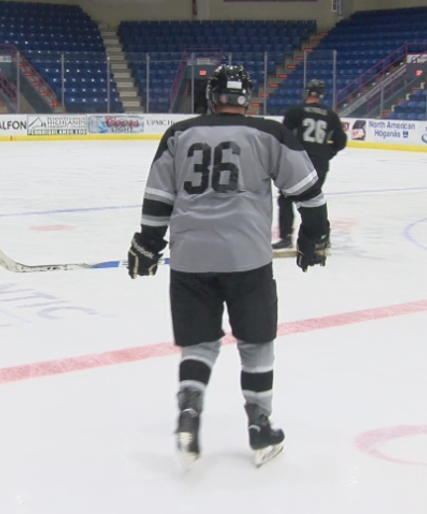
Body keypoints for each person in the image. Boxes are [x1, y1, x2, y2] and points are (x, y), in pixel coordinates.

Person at [126, 65, 330, 467]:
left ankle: (188, 413)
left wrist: (148, 245)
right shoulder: (269, 133)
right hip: (247, 259)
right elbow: (309, 192)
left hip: (190, 259)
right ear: (247, 98)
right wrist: (313, 238)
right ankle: (260, 424)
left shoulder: (179, 133)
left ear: (211, 96)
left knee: (199, 343)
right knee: (256, 342)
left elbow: (157, 198)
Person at [272, 80, 347, 250]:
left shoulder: (296, 112)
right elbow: (341, 141)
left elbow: (283, 137)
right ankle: (321, 237)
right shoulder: (330, 115)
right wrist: (327, 153)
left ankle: (286, 237)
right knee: (312, 200)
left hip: (298, 162)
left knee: (286, 198)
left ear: (306, 93)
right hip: (320, 163)